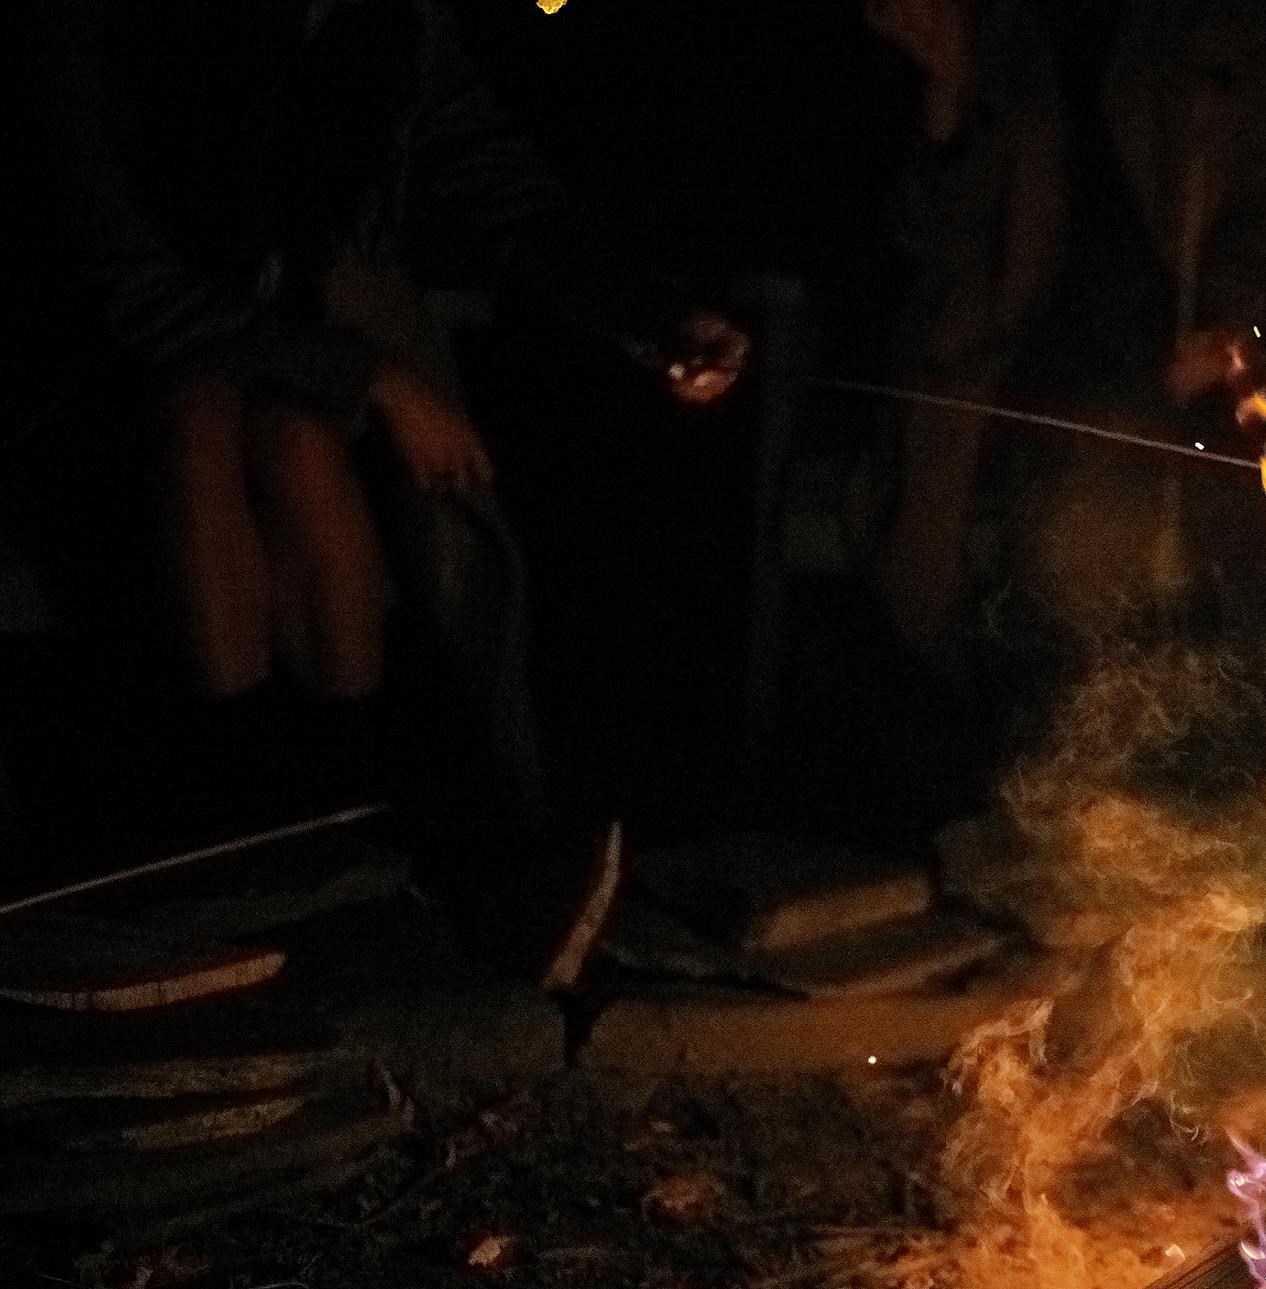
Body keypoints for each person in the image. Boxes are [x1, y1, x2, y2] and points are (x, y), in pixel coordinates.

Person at [24, 0, 750, 856]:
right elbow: (134, 293)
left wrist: (657, 317)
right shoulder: (98, 30)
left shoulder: (391, 23)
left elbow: (507, 192)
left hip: (307, 376)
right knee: (202, 421)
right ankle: (233, 817)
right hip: (113, 380)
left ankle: (359, 817)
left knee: (307, 450)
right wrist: (374, 378)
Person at [859, 0, 1266, 659]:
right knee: (968, 534)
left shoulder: (1231, 20)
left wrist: (1223, 320)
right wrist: (948, 99)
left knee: (1236, 494)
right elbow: (923, 235)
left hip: (1172, 324)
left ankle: (1158, 680)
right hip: (1015, 345)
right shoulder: (991, 25)